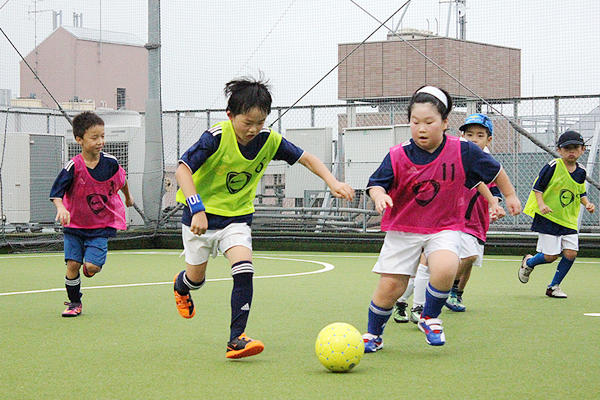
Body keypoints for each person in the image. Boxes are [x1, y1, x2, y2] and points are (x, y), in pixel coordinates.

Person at [173, 77, 354, 359]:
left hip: (237, 218)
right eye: (247, 122)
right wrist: (197, 208)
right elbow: (182, 169)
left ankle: (236, 339)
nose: (253, 129)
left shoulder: (269, 140)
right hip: (200, 218)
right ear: (230, 115)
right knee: (196, 279)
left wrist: (333, 182)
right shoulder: (216, 137)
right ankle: (181, 286)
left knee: (244, 268)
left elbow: (307, 158)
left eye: (260, 122)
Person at [363, 85, 521, 350]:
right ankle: (373, 335)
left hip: (444, 226)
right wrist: (379, 196)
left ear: (445, 122)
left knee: (446, 266)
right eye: (415, 122)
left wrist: (510, 195)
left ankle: (429, 317)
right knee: (391, 286)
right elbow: (376, 183)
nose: (421, 128)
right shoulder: (397, 154)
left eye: (429, 122)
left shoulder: (463, 150)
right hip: (404, 227)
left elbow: (496, 171)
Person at [50, 111, 134, 317]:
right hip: (74, 226)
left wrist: (128, 197)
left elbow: (122, 181)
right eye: (94, 137)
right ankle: (74, 303)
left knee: (92, 267)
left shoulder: (111, 163)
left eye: (102, 136)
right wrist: (61, 208)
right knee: (72, 265)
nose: (100, 142)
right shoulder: (73, 167)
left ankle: (90, 268)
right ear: (79, 139)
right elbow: (56, 193)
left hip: (100, 226)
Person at [519, 130, 595, 298]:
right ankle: (529, 262)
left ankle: (553, 286)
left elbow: (580, 192)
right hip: (548, 218)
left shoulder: (581, 171)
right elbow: (537, 188)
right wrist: (542, 205)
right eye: (567, 148)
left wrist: (587, 203)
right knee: (550, 256)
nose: (571, 151)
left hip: (568, 219)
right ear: (559, 150)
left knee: (571, 253)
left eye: (576, 147)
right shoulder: (553, 166)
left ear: (583, 149)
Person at [445, 113, 506, 312]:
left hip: (478, 222)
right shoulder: (456, 158)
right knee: (468, 256)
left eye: (480, 135)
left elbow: (496, 191)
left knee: (470, 261)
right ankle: (442, 288)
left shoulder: (489, 165)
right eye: (469, 134)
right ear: (462, 136)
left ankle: (456, 294)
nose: (473, 139)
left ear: (489, 140)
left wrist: (495, 207)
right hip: (455, 219)